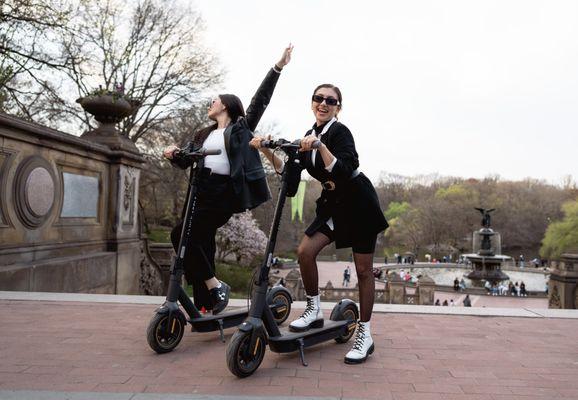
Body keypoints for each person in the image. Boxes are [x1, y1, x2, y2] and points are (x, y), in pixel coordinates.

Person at [251, 81, 388, 364]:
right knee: (305, 252)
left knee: (363, 271)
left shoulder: (340, 132)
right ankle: (313, 309)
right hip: (334, 206)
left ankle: (365, 333)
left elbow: (344, 168)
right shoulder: (308, 135)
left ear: (338, 108)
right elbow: (290, 176)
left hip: (359, 204)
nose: (323, 104)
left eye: (330, 100)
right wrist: (265, 149)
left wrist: (321, 146)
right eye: (319, 98)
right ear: (312, 102)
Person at [163, 45, 293, 314]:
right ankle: (206, 302)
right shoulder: (202, 134)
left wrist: (277, 67)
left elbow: (260, 100)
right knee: (202, 243)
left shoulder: (240, 128)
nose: (210, 103)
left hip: (222, 193)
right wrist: (173, 153)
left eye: (214, 100)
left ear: (227, 105)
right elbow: (186, 160)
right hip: (200, 190)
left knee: (181, 235)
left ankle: (214, 284)